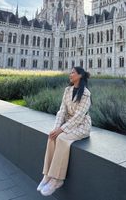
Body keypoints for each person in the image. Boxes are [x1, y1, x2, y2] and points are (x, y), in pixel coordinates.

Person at [37, 66, 91, 196]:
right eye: (70, 72)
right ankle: (47, 175)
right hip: (67, 124)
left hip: (81, 126)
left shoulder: (86, 94)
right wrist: (56, 128)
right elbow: (62, 111)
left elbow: (78, 117)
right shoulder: (67, 90)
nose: (70, 74)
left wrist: (61, 130)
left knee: (61, 139)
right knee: (52, 137)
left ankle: (57, 179)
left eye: (73, 72)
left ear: (80, 76)